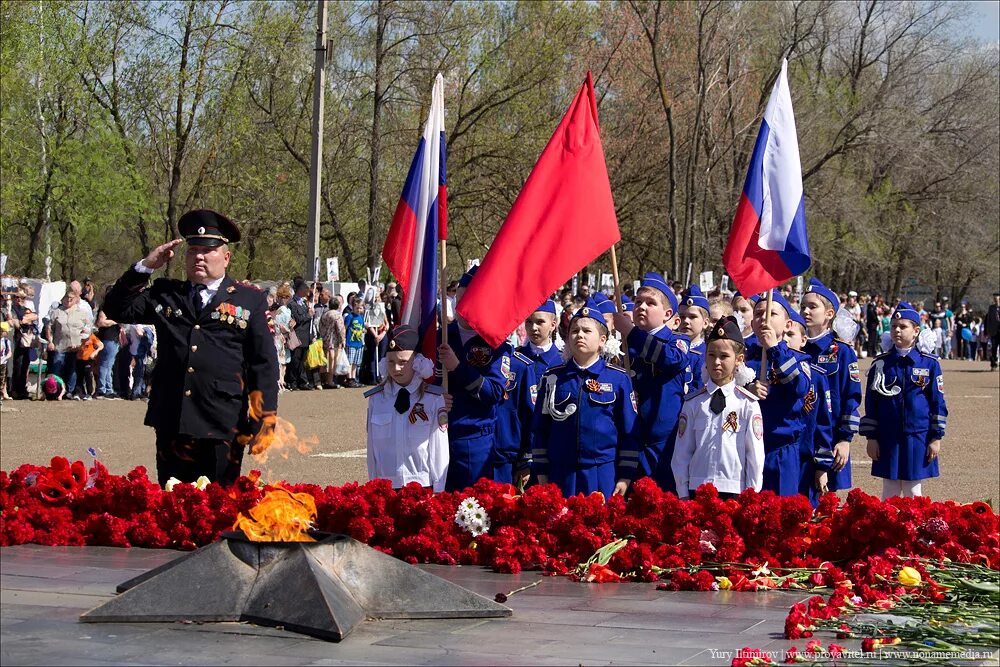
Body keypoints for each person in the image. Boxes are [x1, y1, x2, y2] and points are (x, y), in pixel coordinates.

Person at [101, 208, 279, 487]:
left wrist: (263, 419)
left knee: (219, 509)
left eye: (207, 251)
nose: (198, 256)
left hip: (222, 422)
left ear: (226, 257)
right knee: (173, 506)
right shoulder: (166, 294)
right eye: (192, 250)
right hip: (173, 419)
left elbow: (263, 365)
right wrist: (146, 266)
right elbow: (115, 308)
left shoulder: (249, 300)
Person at [531, 298, 639, 498]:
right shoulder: (552, 377)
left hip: (602, 473)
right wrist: (542, 471)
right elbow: (540, 428)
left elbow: (629, 431)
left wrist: (626, 476)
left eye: (587, 331)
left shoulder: (618, 378)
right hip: (560, 472)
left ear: (602, 340)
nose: (579, 335)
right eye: (574, 331)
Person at [611, 272, 691, 494]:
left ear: (667, 314)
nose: (641, 307)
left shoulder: (678, 340)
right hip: (629, 441)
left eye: (650, 303)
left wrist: (631, 332)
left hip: (664, 446)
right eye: (638, 302)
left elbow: (672, 359)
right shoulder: (625, 346)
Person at [860, 302, 947, 499]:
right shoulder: (880, 364)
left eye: (903, 326)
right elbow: (872, 403)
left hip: (917, 436)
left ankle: (913, 528)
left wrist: (936, 437)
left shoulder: (929, 363)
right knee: (889, 490)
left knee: (913, 491)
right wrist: (871, 438)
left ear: (916, 331)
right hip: (887, 436)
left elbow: (938, 402)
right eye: (893, 326)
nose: (897, 330)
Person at [672, 316, 763, 499]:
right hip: (698, 489)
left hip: (734, 490)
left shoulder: (747, 404)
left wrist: (751, 495)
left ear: (739, 359)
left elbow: (754, 455)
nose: (717, 362)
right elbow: (682, 452)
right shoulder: (694, 403)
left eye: (724, 356)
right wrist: (683, 493)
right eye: (711, 355)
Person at [437, 266, 511, 491]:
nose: (461, 307)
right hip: (435, 434)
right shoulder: (439, 336)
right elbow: (422, 380)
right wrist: (435, 396)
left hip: (474, 439)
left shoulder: (496, 343)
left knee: (470, 508)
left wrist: (458, 367)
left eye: (468, 300)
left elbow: (494, 393)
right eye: (457, 300)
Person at [744, 290, 812, 496]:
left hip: (781, 450)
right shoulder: (744, 358)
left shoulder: (798, 359)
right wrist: (747, 389)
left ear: (788, 325)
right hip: (746, 448)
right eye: (758, 314)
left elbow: (800, 387)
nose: (764, 319)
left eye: (772, 314)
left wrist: (774, 348)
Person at [365, 325, 449, 492]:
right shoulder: (377, 399)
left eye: (403, 362)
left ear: (417, 362)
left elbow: (439, 449)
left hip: (422, 486)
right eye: (391, 362)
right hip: (386, 486)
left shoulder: (432, 399)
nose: (396, 368)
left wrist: (439, 490)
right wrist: (373, 486)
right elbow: (372, 449)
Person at [800, 278, 861, 494]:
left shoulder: (842, 352)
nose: (805, 311)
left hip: (831, 438)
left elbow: (851, 398)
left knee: (827, 505)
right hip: (801, 438)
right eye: (803, 306)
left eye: (812, 306)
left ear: (829, 314)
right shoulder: (796, 348)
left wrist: (845, 440)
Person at [784, 307, 835, 506]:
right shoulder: (765, 372)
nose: (785, 339)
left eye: (791, 334)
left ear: (803, 340)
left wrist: (822, 466)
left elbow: (824, 422)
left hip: (806, 461)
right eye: (782, 335)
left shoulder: (817, 376)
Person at [45, 284, 92, 399]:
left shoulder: (82, 313)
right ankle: (54, 391)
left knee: (72, 369)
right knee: (56, 369)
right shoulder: (56, 312)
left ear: (76, 300)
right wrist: (50, 341)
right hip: (59, 345)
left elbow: (88, 329)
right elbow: (49, 328)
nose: (68, 301)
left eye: (71, 299)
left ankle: (69, 392)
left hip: (75, 346)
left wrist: (82, 341)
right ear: (63, 299)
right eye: (66, 298)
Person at [6, 287, 38, 400]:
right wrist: (22, 321)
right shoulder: (12, 308)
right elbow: (15, 322)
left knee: (25, 365)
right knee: (16, 366)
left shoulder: (24, 308)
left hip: (25, 342)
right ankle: (14, 389)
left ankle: (22, 389)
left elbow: (34, 316)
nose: (19, 299)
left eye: (22, 297)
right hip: (15, 340)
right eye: (17, 297)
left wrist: (25, 320)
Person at [679, 285, 711, 394]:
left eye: (692, 317)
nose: (686, 321)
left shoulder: (708, 353)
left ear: (705, 323)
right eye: (682, 316)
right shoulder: (671, 349)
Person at [286, 278, 314, 390]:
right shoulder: (292, 304)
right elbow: (298, 318)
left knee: (302, 360)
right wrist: (309, 315)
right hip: (297, 335)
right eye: (304, 288)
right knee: (295, 360)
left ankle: (302, 381)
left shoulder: (303, 303)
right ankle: (292, 381)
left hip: (305, 336)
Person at [271, 285, 293, 392]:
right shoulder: (280, 310)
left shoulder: (285, 310)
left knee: (284, 362)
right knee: (280, 360)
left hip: (285, 337)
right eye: (283, 297)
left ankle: (282, 382)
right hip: (280, 337)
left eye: (286, 297)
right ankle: (279, 382)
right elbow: (277, 325)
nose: (285, 299)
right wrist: (286, 329)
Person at [363, 291, 388, 385]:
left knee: (381, 356)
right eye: (375, 297)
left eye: (378, 297)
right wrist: (375, 336)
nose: (377, 299)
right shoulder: (368, 308)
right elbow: (368, 324)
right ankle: (372, 376)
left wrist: (383, 334)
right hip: (372, 335)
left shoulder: (381, 308)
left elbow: (386, 323)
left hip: (382, 335)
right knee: (373, 356)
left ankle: (380, 376)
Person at [75, 327, 104, 400]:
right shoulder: (78, 337)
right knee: (79, 376)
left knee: (88, 375)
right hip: (79, 359)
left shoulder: (93, 337)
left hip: (89, 359)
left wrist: (95, 352)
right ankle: (79, 393)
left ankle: (89, 393)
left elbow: (101, 345)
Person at [344, 297, 366, 388]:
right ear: (353, 307)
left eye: (361, 308)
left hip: (359, 343)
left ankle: (353, 378)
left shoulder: (361, 317)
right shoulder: (350, 316)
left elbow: (362, 327)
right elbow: (345, 328)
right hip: (351, 342)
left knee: (356, 363)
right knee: (350, 361)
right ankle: (349, 379)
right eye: (357, 308)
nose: (359, 310)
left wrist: (364, 330)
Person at [985, 294, 1000, 370]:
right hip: (994, 331)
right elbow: (988, 320)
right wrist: (987, 331)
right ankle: (993, 364)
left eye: (996, 298)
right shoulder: (991, 308)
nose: (995, 300)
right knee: (994, 348)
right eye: (994, 298)